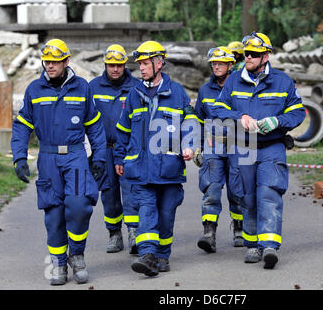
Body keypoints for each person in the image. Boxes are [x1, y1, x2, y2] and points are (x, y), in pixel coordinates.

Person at [11, 38, 106, 285]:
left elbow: (94, 125)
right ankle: (58, 263)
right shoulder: (34, 90)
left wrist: (100, 158)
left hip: (75, 156)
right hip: (48, 158)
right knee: (53, 213)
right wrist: (20, 157)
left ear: (66, 61)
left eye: (55, 61)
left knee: (78, 206)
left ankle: (77, 254)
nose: (50, 65)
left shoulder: (82, 87)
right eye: (47, 61)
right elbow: (22, 126)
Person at [212, 32, 306, 269]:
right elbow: (218, 109)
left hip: (271, 147)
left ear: (266, 55)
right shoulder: (233, 81)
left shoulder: (283, 81)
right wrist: (238, 116)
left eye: (254, 54)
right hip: (243, 147)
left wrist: (278, 122)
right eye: (246, 54)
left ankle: (270, 245)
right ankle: (252, 244)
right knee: (246, 197)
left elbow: (298, 113)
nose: (249, 57)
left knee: (269, 194)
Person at [114, 40, 199, 276]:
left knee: (166, 214)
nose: (141, 68)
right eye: (139, 63)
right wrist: (120, 158)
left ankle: (162, 255)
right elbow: (123, 129)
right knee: (146, 210)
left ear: (159, 63)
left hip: (170, 169)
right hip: (140, 169)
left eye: (145, 63)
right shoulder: (133, 95)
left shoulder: (178, 93)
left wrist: (190, 145)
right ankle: (148, 254)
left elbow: (190, 122)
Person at [89, 44, 141, 254]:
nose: (115, 69)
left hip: (129, 150)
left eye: (119, 65)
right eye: (111, 65)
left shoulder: (136, 86)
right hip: (104, 150)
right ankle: (114, 233)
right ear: (105, 65)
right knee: (109, 195)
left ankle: (134, 233)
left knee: (131, 192)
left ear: (125, 65)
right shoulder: (93, 87)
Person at [193, 46, 244, 253]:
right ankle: (209, 233)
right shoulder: (205, 90)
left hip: (238, 145)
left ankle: (239, 229)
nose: (216, 67)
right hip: (213, 146)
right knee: (211, 190)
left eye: (220, 63)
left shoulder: (241, 87)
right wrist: (197, 146)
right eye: (213, 63)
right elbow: (197, 120)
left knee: (237, 190)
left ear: (230, 65)